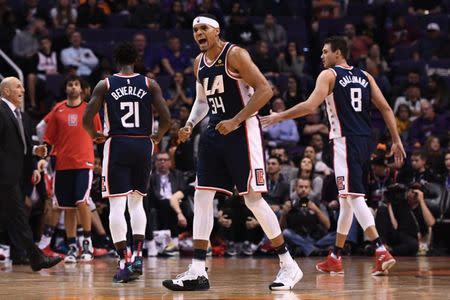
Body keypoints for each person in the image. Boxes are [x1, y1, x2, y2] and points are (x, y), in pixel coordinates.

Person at [162, 14, 302, 291]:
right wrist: (190, 124)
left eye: (203, 28)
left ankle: (288, 264)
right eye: (195, 29)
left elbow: (265, 90)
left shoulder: (235, 54)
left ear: (216, 31)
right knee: (202, 195)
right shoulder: (198, 63)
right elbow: (203, 102)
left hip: (242, 131)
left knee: (253, 200)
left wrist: (237, 120)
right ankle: (198, 270)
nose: (198, 33)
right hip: (215, 132)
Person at [261, 36, 406, 276]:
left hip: (344, 141)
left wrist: (279, 116)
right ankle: (335, 256)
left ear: (338, 53)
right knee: (346, 200)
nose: (321, 56)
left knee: (354, 197)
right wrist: (397, 140)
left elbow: (309, 106)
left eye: (325, 51)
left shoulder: (329, 75)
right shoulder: (365, 76)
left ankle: (380, 249)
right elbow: (386, 108)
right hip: (364, 142)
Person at [83, 42, 171, 283]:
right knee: (137, 203)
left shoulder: (105, 84)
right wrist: (157, 137)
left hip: (118, 143)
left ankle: (124, 260)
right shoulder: (149, 83)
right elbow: (167, 119)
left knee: (116, 206)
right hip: (143, 145)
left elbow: (86, 119)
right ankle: (139, 257)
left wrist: (95, 136)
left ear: (116, 60)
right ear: (136, 59)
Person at [0, 77, 62, 271]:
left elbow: (18, 146)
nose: (24, 90)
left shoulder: (19, 114)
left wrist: (34, 157)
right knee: (18, 216)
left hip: (14, 175)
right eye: (18, 86)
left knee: (14, 218)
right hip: (5, 175)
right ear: (6, 91)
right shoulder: (1, 111)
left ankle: (27, 256)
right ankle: (36, 258)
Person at [43, 75, 101, 264]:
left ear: (82, 89)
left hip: (83, 163)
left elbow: (99, 135)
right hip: (62, 164)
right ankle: (71, 246)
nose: (73, 87)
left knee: (81, 202)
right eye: (70, 84)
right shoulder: (57, 109)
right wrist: (43, 152)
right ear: (66, 88)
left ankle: (87, 243)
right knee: (66, 207)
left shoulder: (90, 109)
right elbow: (48, 138)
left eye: (76, 84)